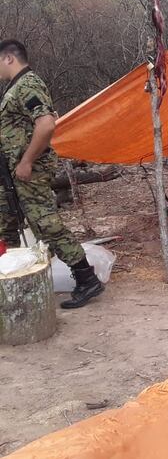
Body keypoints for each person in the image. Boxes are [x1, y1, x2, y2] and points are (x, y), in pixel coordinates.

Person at [0, 39, 103, 308]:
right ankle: (13, 282)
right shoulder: (14, 88)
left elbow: (46, 124)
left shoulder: (28, 84)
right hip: (11, 174)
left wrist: (26, 161)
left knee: (45, 223)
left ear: (9, 58)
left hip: (27, 172)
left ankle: (86, 278)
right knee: (6, 225)